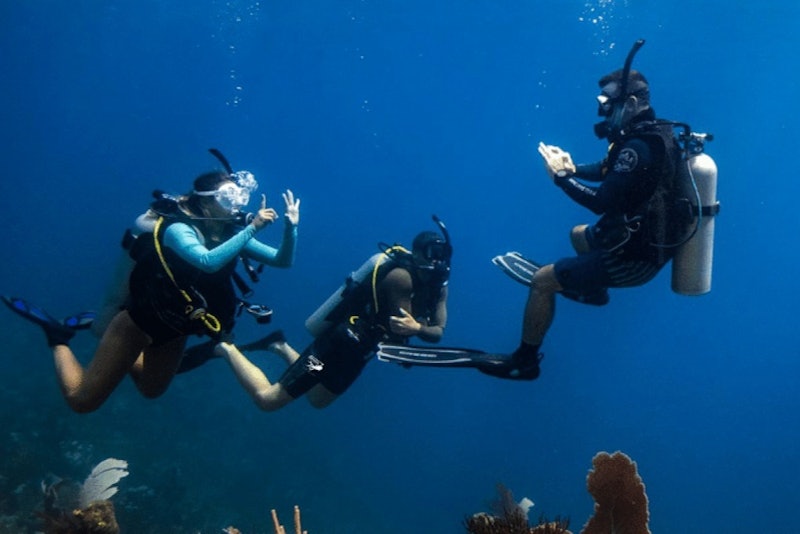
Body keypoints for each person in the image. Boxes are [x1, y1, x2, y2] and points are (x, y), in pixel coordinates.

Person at [3, 169, 300, 412]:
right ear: (205, 202)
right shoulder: (178, 229)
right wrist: (253, 228)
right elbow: (206, 262)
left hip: (177, 327)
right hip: (139, 321)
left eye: (239, 199)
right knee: (82, 401)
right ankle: (58, 338)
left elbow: (281, 260)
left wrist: (290, 228)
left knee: (151, 390)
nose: (236, 207)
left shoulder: (230, 233)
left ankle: (113, 352)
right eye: (227, 199)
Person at [495, 42, 688, 380]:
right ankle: (594, 291)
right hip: (647, 242)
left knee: (542, 282)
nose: (602, 113)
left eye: (606, 105)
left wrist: (561, 178)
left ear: (630, 104)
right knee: (578, 234)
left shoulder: (639, 146)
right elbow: (609, 169)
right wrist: (573, 168)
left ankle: (525, 361)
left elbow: (602, 202)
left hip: (636, 261)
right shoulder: (653, 134)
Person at [205, 224, 450, 411]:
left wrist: (418, 328)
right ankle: (227, 348)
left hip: (360, 353)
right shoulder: (401, 278)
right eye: (431, 253)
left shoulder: (439, 287)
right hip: (337, 344)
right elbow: (400, 328)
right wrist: (419, 329)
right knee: (269, 400)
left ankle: (279, 345)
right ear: (417, 254)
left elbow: (437, 332)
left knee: (317, 398)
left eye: (442, 254)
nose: (437, 260)